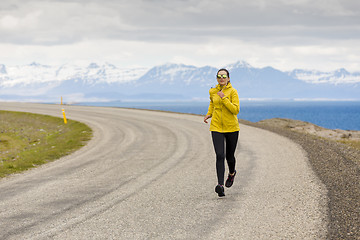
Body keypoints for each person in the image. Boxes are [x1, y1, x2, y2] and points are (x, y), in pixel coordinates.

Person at [204, 68, 240, 197]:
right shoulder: (213, 91)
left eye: (224, 76)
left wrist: (224, 98)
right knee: (220, 155)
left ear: (228, 78)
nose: (221, 78)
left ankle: (231, 173)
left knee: (230, 156)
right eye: (219, 76)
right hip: (216, 127)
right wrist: (209, 113)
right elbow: (212, 104)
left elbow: (235, 110)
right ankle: (220, 185)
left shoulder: (233, 92)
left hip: (232, 128)